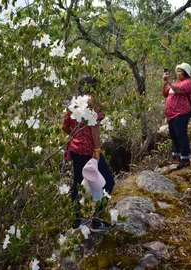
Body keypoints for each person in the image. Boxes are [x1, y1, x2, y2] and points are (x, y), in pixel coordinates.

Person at [62, 75, 115, 233]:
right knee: (107, 182)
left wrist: (76, 137)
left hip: (76, 150)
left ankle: (77, 220)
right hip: (90, 151)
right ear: (93, 87)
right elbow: (95, 128)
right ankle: (97, 221)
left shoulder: (73, 103)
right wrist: (97, 149)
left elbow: (64, 127)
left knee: (77, 183)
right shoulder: (93, 102)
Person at [162, 63, 191, 169]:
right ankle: (175, 155)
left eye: (180, 71)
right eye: (177, 71)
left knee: (181, 135)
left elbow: (178, 90)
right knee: (174, 135)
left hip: (181, 113)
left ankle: (185, 158)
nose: (178, 73)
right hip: (171, 114)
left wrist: (169, 82)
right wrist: (164, 83)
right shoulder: (176, 82)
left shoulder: (188, 83)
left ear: (185, 72)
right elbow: (165, 94)